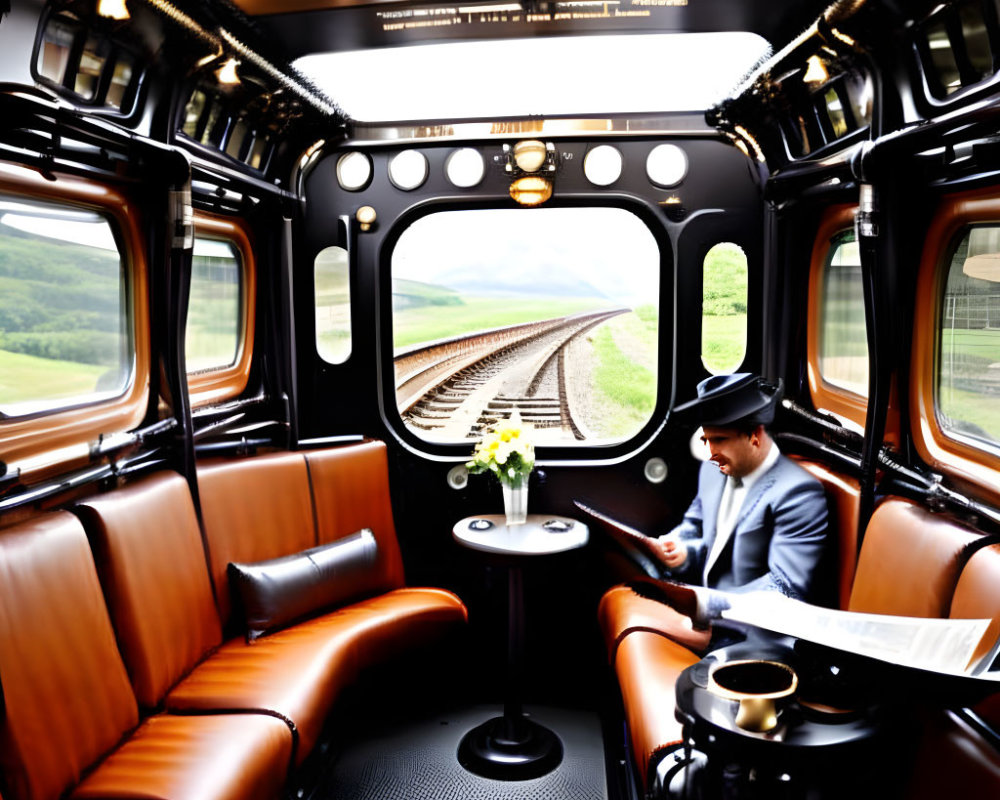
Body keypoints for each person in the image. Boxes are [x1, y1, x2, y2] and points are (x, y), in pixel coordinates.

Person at [651, 373, 829, 622]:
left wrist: (703, 604)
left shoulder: (799, 494)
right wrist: (680, 550)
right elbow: (695, 525)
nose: (711, 453)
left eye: (720, 440)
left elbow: (785, 588)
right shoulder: (713, 469)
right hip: (708, 619)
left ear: (755, 435)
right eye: (706, 440)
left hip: (756, 635)